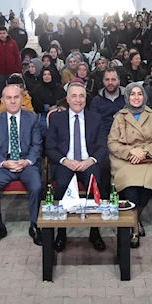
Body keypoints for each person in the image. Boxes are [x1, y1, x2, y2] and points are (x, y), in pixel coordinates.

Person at [45, 84, 108, 252]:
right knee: (62, 186)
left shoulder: (95, 118)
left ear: (86, 99)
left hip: (88, 162)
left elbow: (103, 146)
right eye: (74, 96)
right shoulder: (57, 119)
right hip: (66, 163)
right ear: (67, 99)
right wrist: (65, 160)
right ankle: (61, 233)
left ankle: (95, 232)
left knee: (95, 186)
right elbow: (49, 147)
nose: (78, 100)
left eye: (81, 96)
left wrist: (91, 160)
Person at [107, 83, 152, 248]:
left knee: (148, 183)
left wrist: (144, 152)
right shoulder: (119, 117)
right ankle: (133, 227)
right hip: (125, 160)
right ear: (127, 96)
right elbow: (112, 143)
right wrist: (131, 152)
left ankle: (133, 219)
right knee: (131, 188)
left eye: (139, 94)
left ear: (144, 96)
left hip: (148, 159)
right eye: (132, 94)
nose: (136, 97)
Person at [0, 85, 43, 247]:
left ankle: (35, 226)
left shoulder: (32, 119)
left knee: (37, 187)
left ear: (22, 98)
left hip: (27, 163)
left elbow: (37, 146)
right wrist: (4, 163)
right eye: (8, 98)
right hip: (5, 163)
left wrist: (26, 162)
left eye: (16, 97)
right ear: (2, 101)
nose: (12, 101)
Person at [88, 69, 126, 136]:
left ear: (119, 81)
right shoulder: (96, 101)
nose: (110, 82)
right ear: (103, 81)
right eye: (107, 80)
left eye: (113, 79)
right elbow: (94, 124)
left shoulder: (127, 99)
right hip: (104, 137)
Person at [0, 27, 21, 104]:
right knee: (0, 89)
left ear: (7, 33)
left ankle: (14, 104)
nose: (2, 35)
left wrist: (19, 70)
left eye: (4, 33)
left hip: (11, 70)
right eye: (0, 33)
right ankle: (1, 106)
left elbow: (17, 56)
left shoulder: (13, 43)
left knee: (13, 89)